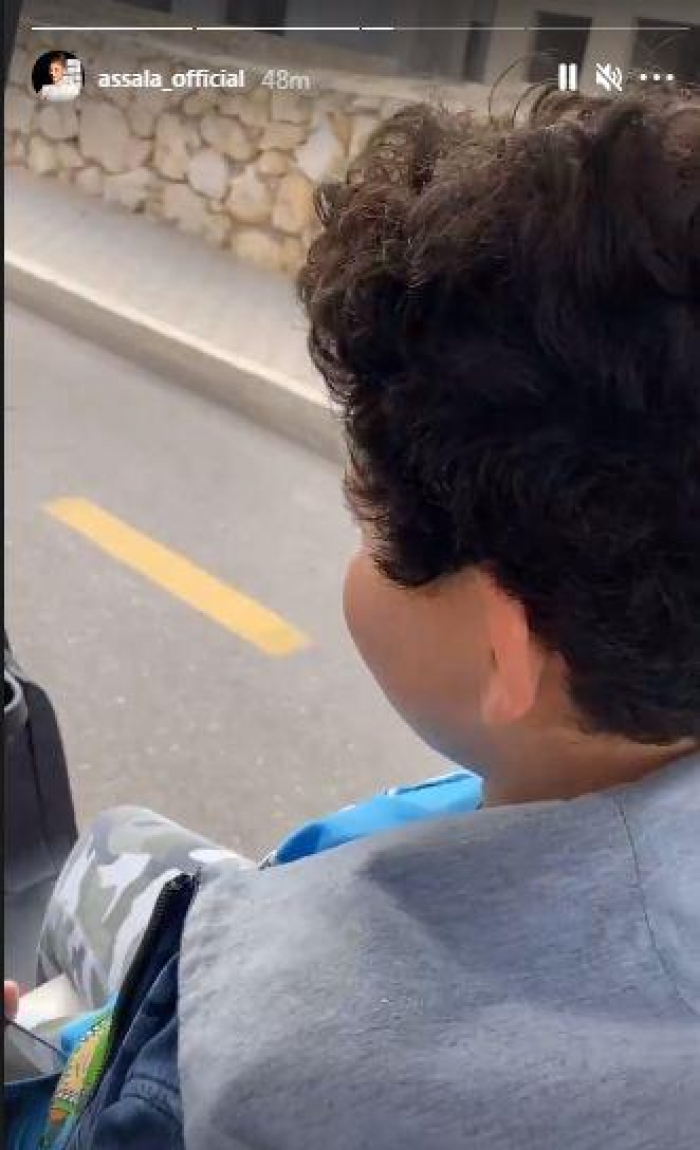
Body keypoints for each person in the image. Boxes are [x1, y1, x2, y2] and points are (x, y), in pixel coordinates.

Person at [7, 86, 700, 1148]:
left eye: (370, 511)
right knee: (120, 844)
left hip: (213, 994)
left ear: (503, 651)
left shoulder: (240, 1075)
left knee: (103, 858)